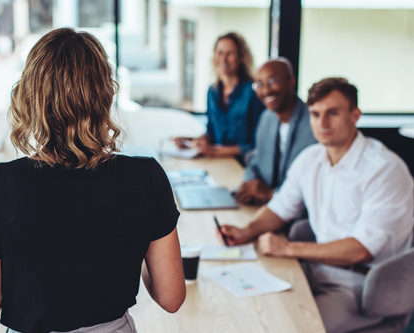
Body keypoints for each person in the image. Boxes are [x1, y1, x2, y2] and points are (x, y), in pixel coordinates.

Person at [0, 28, 186, 333]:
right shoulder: (148, 177)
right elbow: (171, 297)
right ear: (105, 94)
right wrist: (135, 235)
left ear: (30, 96)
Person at [220, 78, 414, 333]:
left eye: (332, 113)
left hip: (361, 286)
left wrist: (288, 248)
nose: (322, 123)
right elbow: (280, 207)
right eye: (315, 114)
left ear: (355, 115)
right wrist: (247, 230)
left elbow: (360, 250)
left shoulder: (384, 170)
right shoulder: (310, 159)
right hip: (312, 269)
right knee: (249, 309)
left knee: (286, 327)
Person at [234, 58, 316, 205]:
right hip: (265, 206)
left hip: (295, 213)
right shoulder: (267, 118)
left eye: (272, 81)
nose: (266, 90)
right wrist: (250, 184)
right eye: (259, 84)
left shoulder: (313, 123)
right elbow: (255, 160)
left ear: (291, 82)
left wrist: (271, 194)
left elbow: (312, 186)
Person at [175, 32, 265, 161]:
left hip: (243, 164)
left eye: (230, 53)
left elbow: (256, 144)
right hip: (219, 162)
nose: (223, 59)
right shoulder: (212, 92)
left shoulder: (253, 93)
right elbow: (211, 131)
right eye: (220, 52)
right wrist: (195, 141)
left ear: (241, 58)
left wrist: (215, 151)